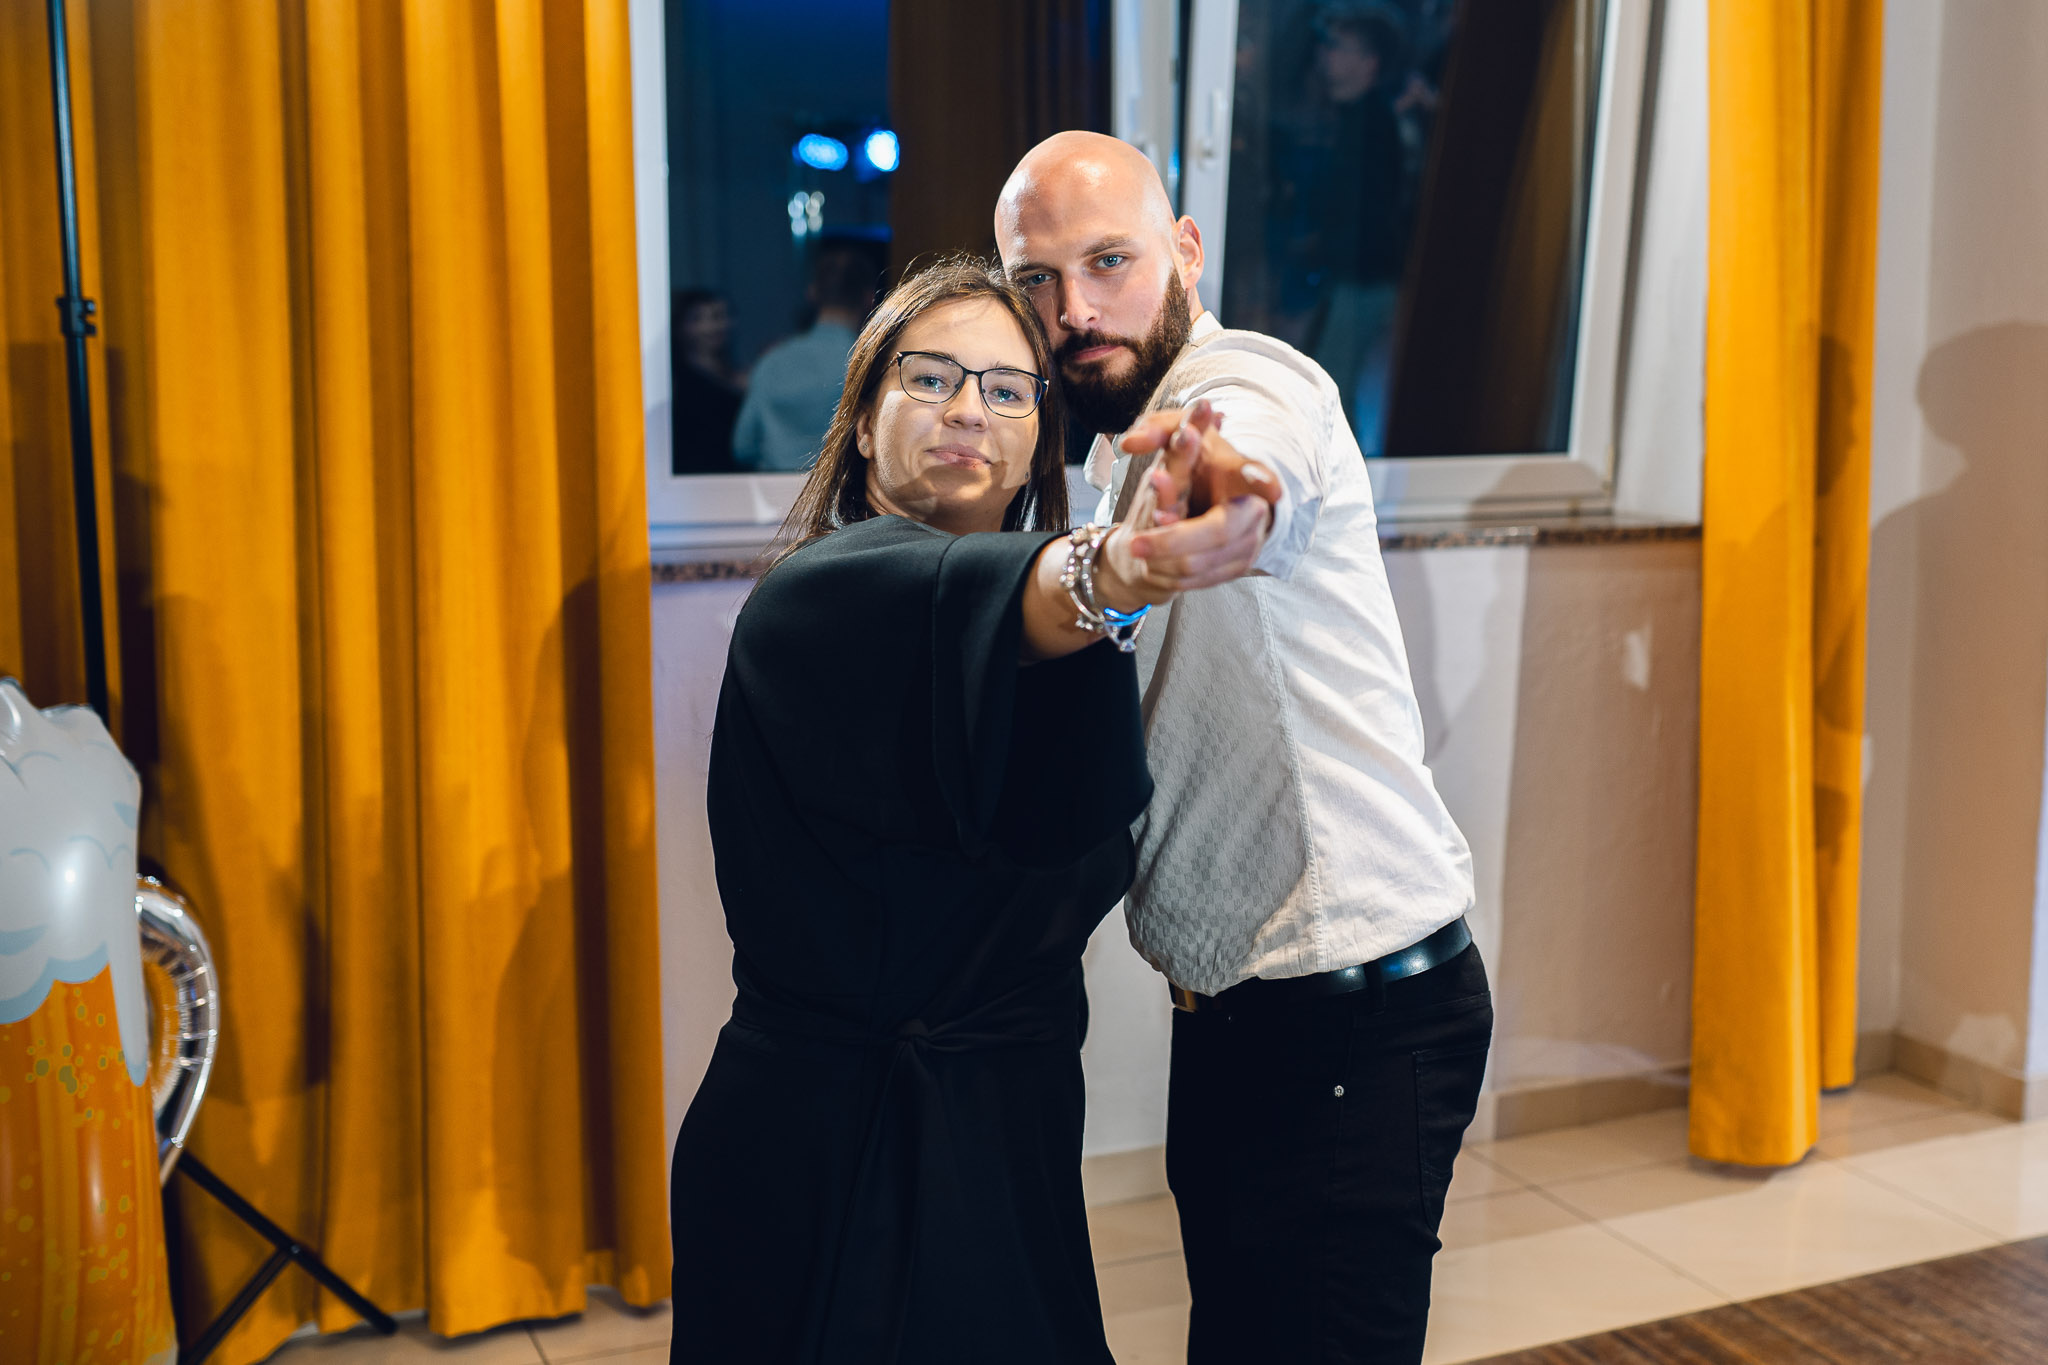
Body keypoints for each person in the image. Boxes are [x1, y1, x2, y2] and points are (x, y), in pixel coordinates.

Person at [668, 257, 1275, 1363]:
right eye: (930, 376)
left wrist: (1116, 573)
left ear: (1039, 440)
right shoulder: (817, 595)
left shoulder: (1051, 646)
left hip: (1007, 1138)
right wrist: (1119, 567)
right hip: (821, 1149)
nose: (967, 409)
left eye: (1005, 389)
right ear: (862, 423)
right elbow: (1006, 591)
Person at [996, 131, 1491, 1364]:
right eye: (1036, 280)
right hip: (1240, 1013)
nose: (1074, 311)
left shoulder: (1242, 382)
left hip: (1349, 1015)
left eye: (1107, 262)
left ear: (1185, 251)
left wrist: (1235, 499)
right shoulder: (1111, 464)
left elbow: (1253, 459)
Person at [732, 244, 879, 471]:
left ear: (812, 293)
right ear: (870, 298)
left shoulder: (772, 362)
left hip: (774, 488)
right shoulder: (869, 364)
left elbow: (743, 445)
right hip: (842, 488)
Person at [673, 288, 744, 473]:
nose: (712, 326)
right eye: (698, 319)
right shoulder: (677, 382)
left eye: (718, 316)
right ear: (680, 327)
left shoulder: (737, 376)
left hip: (734, 474)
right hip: (695, 475)